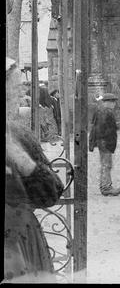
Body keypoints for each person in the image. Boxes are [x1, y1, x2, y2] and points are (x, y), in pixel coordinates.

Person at [5, 57, 65, 281]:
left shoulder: (19, 135)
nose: (18, 97)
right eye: (13, 89)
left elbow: (51, 194)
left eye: (17, 89)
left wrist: (19, 156)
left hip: (23, 244)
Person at [88, 93, 120, 196]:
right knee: (106, 165)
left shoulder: (99, 111)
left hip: (101, 141)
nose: (114, 104)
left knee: (105, 164)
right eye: (112, 102)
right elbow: (105, 129)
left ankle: (106, 186)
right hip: (105, 141)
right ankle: (106, 187)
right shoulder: (107, 112)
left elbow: (95, 127)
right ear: (106, 102)